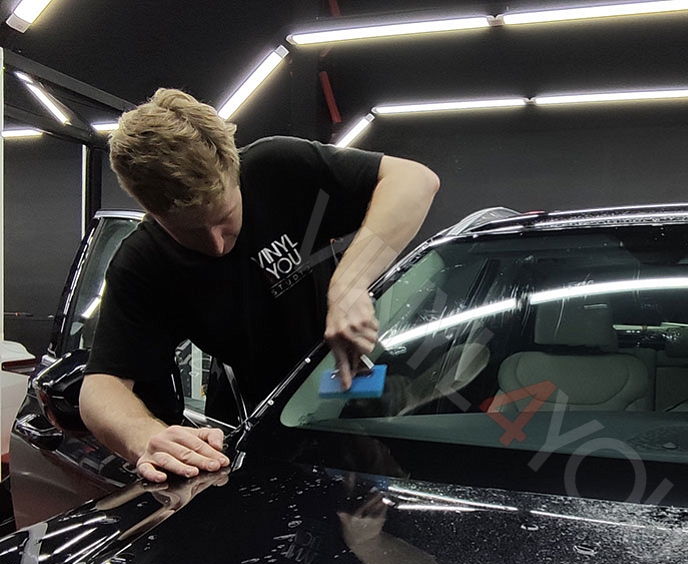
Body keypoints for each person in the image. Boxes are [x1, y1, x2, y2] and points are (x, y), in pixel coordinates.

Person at [79, 88, 439, 484]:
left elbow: (414, 180)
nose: (217, 243)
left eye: (226, 217)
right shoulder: (144, 264)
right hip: (274, 428)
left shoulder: (276, 169)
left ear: (234, 170)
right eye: (191, 232)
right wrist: (144, 436)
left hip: (365, 400)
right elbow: (100, 389)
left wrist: (350, 284)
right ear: (152, 212)